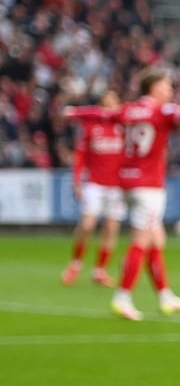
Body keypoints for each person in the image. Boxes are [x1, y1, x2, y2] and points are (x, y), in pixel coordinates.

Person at [67, 67, 180, 321]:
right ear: (154, 88)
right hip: (148, 186)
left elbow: (101, 115)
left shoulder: (127, 110)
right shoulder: (161, 111)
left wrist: (74, 113)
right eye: (166, 86)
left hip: (125, 181)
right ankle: (122, 297)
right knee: (141, 240)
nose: (170, 90)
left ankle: (164, 296)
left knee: (156, 240)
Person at [61, 89, 126, 288]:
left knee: (111, 228)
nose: (109, 107)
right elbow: (80, 156)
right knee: (88, 225)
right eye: (106, 103)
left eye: (113, 102)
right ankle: (75, 263)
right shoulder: (91, 127)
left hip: (118, 186)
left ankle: (100, 270)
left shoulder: (124, 127)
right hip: (95, 184)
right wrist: (77, 180)